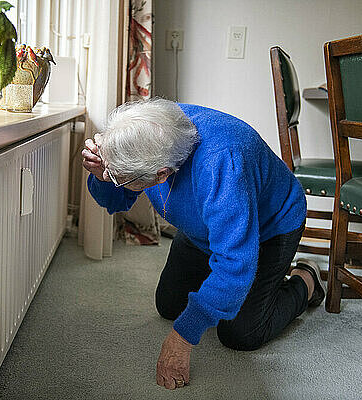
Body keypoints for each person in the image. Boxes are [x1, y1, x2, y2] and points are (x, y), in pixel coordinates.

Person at [81, 98, 325, 390]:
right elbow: (116, 201)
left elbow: (236, 264)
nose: (113, 180)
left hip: (269, 227)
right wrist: (102, 176)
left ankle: (306, 279)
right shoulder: (148, 127)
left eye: (117, 178)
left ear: (161, 174)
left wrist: (182, 338)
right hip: (202, 227)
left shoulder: (222, 162)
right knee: (170, 305)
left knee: (240, 334)